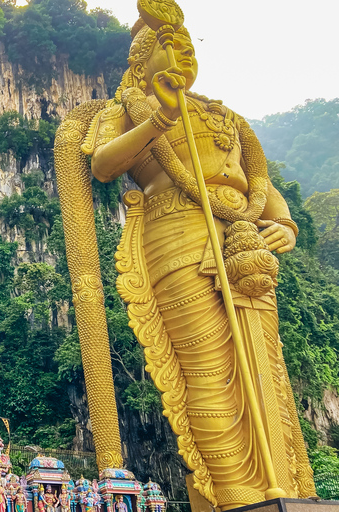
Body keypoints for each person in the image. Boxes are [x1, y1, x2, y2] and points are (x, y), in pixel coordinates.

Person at [57, 8, 313, 507]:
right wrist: (159, 120)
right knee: (209, 364)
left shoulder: (223, 116)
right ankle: (234, 490)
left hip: (245, 240)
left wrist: (283, 224)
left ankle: (284, 483)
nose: (185, 54)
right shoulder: (131, 106)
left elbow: (257, 179)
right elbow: (105, 164)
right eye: (170, 45)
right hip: (174, 235)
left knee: (263, 365)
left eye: (190, 45)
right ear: (141, 59)